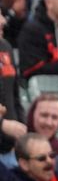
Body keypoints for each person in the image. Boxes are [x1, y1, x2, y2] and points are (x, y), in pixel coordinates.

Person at [0, 10, 26, 169]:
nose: (3, 21)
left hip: (10, 150)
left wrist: (20, 127)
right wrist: (2, 125)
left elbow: (15, 95)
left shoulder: (5, 47)